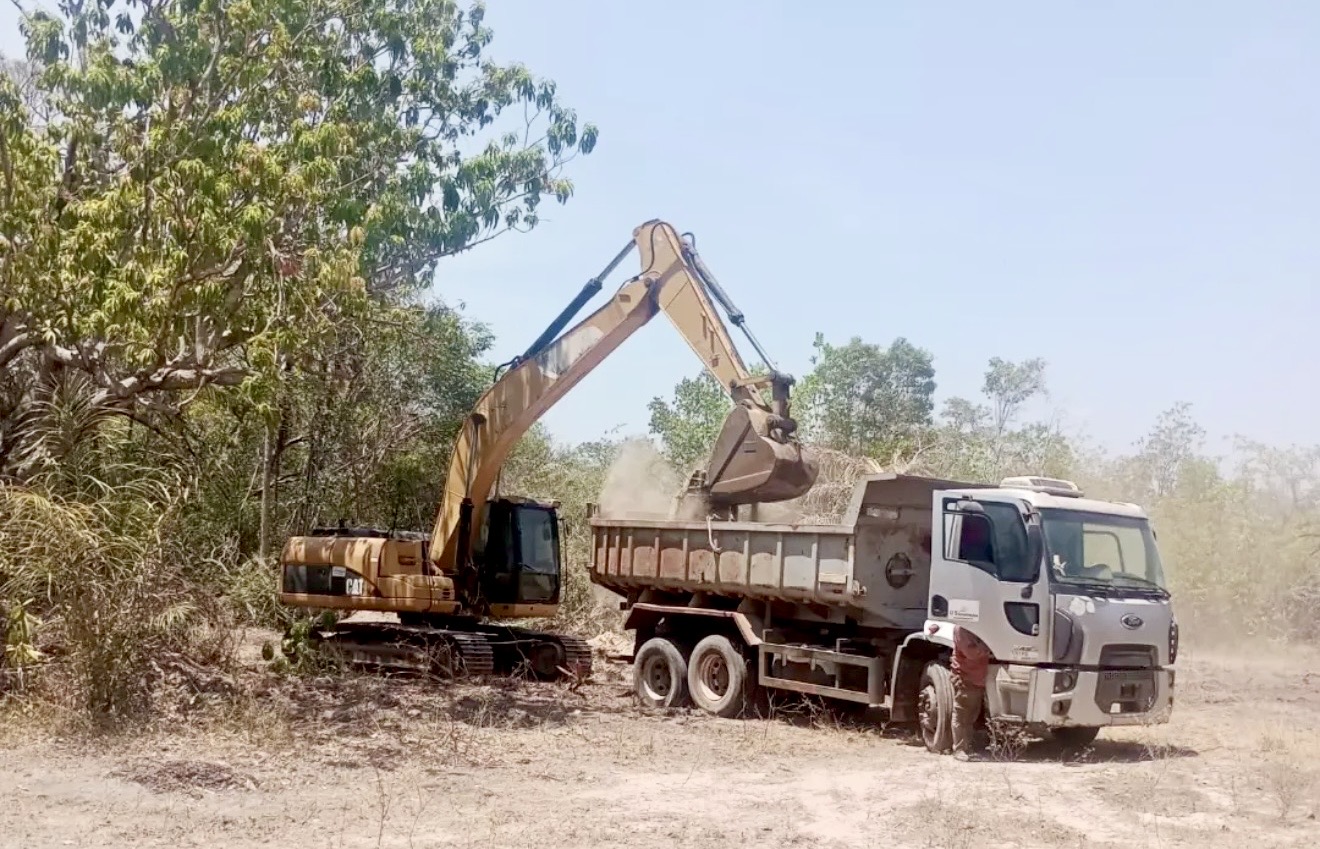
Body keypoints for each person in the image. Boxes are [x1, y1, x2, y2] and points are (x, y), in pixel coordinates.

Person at [951, 624, 991, 761]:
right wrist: (989, 648)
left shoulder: (976, 626)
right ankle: (959, 749)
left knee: (971, 716)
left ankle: (967, 746)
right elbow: (971, 653)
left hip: (977, 678)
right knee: (962, 714)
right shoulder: (961, 629)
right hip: (966, 677)